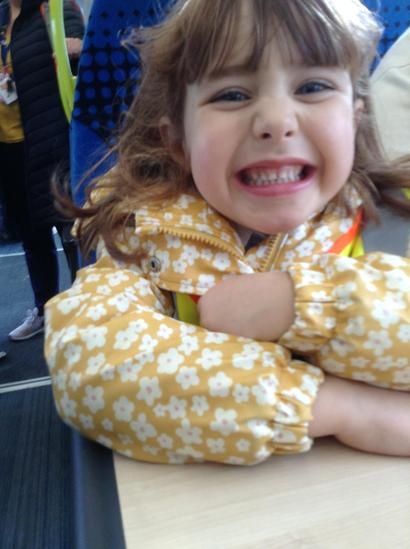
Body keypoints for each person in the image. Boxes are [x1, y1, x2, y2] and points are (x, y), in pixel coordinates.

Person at [44, 0, 410, 465]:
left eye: (312, 87)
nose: (276, 122)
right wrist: (341, 409)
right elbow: (90, 368)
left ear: (354, 119)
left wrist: (306, 305)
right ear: (179, 141)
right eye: (232, 95)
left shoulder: (392, 220)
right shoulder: (145, 242)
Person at [0, 0, 84, 341]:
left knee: (71, 230)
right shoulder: (2, 16)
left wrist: (71, 47)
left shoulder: (52, 8)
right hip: (8, 145)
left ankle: (86, 311)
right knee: (31, 232)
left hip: (49, 138)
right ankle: (45, 308)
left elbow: (77, 48)